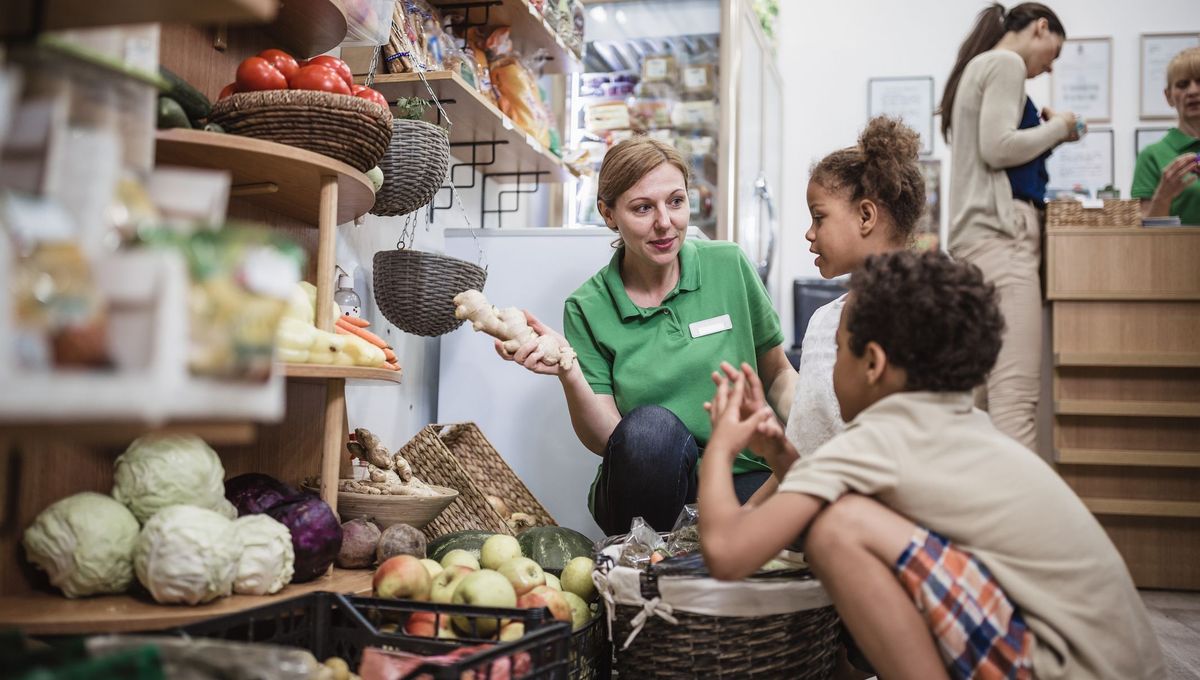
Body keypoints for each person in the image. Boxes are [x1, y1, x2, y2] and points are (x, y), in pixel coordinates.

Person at [698, 251, 1164, 680]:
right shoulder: (961, 426)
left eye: (839, 352)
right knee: (844, 514)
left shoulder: (877, 439)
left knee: (837, 530)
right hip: (1104, 662)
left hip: (1062, 667)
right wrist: (779, 453)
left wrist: (721, 445)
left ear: (873, 363)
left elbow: (726, 552)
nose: (832, 367)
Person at [497, 137, 793, 536]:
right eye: (642, 208)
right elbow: (609, 440)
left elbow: (778, 374)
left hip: (742, 472)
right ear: (608, 214)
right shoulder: (588, 306)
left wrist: (821, 425)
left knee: (806, 527)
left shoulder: (729, 265)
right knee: (650, 429)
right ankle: (643, 560)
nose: (665, 222)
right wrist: (568, 370)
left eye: (676, 201)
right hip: (645, 483)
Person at [742, 115, 926, 505]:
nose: (809, 233)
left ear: (865, 216)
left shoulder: (861, 321)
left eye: (819, 216)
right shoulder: (826, 319)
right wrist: (750, 511)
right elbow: (806, 449)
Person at [942, 2, 1080, 451]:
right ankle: (1019, 500)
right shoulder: (1006, 63)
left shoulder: (978, 67)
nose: (1049, 67)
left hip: (975, 247)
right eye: (1054, 53)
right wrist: (1061, 127)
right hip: (1004, 242)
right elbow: (998, 147)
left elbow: (996, 153)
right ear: (1040, 28)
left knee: (979, 403)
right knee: (1015, 402)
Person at [1132, 46, 1200, 224]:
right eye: (1183, 84)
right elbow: (1147, 234)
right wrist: (1163, 195)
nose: (1193, 91)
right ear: (1168, 96)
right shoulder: (1152, 156)